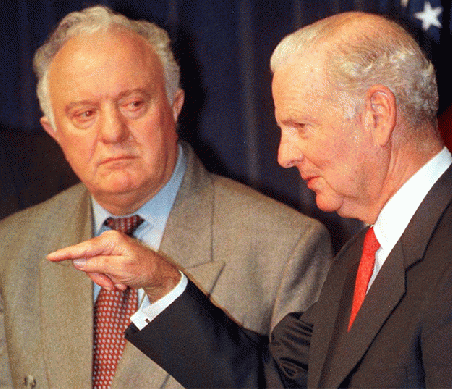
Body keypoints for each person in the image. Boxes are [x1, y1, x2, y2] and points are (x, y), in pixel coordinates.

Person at [47, 11, 452, 389]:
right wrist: (162, 282)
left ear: (377, 115)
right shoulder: (367, 251)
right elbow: (272, 380)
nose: (284, 155)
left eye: (301, 127)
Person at [0, 6, 333, 389]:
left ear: (174, 107)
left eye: (134, 104)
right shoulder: (12, 249)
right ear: (53, 131)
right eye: (85, 113)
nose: (112, 132)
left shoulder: (285, 248)